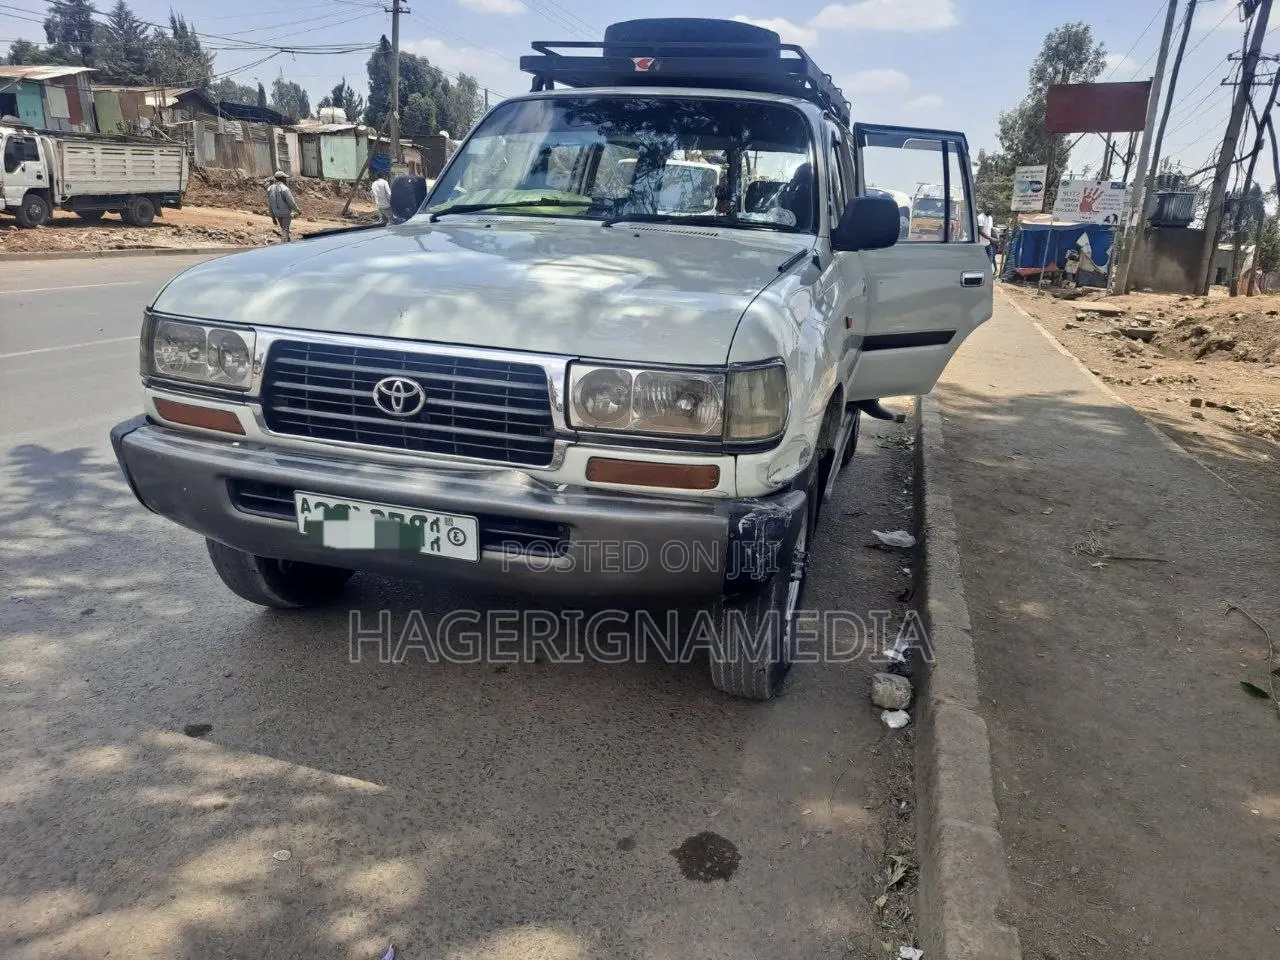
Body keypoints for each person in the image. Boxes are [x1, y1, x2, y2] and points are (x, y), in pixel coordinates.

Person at [266, 171, 301, 243]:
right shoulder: (284, 189)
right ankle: (283, 246)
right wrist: (297, 210)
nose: (286, 179)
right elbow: (291, 202)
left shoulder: (269, 189)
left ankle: (288, 243)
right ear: (282, 179)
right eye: (285, 178)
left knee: (284, 229)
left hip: (277, 213)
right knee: (285, 229)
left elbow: (270, 204)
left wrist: (273, 217)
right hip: (285, 213)